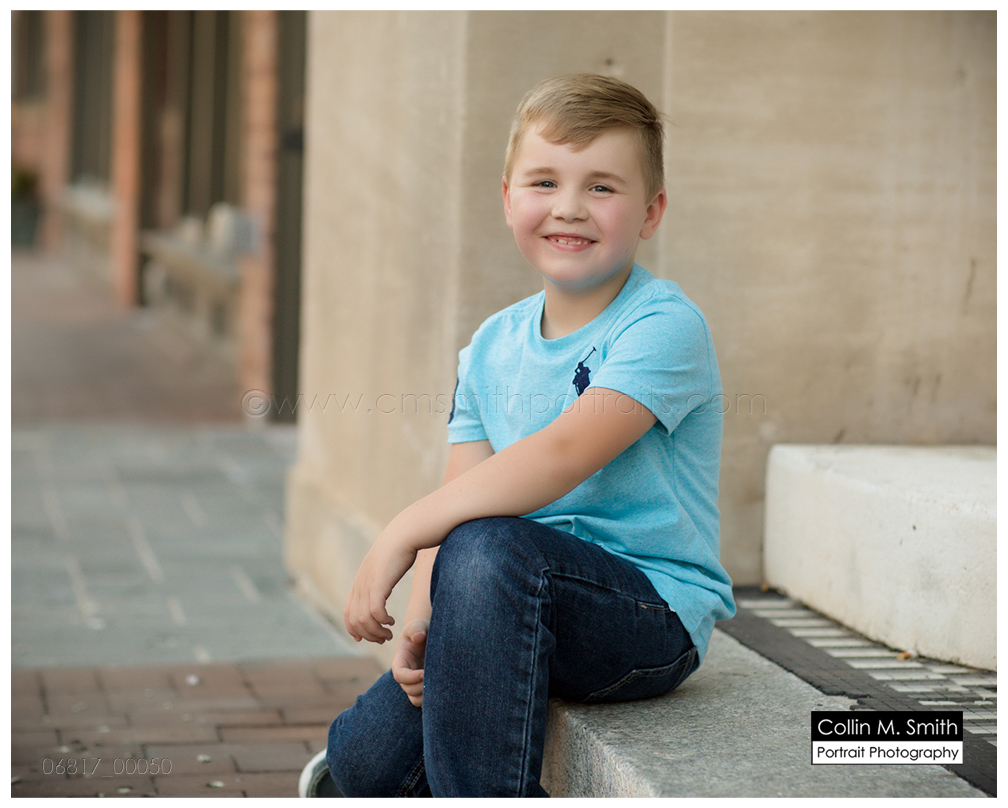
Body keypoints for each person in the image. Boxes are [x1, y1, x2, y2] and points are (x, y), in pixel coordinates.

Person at [299, 73, 735, 798]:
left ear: (651, 212)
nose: (569, 207)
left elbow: (564, 454)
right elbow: (463, 491)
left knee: (486, 547)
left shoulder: (663, 326)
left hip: (645, 614)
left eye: (602, 187)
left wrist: (400, 531)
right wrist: (421, 622)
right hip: (502, 595)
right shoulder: (491, 346)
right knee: (362, 762)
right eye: (544, 182)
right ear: (508, 200)